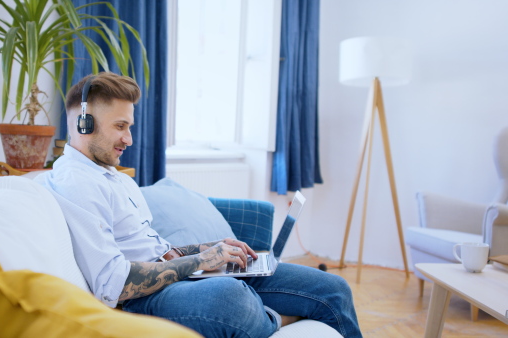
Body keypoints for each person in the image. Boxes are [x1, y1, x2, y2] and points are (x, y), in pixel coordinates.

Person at [35, 72, 362, 338]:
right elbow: (113, 285)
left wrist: (209, 249)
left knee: (333, 288)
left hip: (178, 278)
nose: (129, 139)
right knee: (229, 296)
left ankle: (266, 314)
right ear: (84, 123)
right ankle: (277, 319)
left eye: (129, 127)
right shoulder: (75, 181)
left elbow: (152, 247)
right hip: (144, 299)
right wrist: (201, 261)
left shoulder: (115, 177)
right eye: (120, 127)